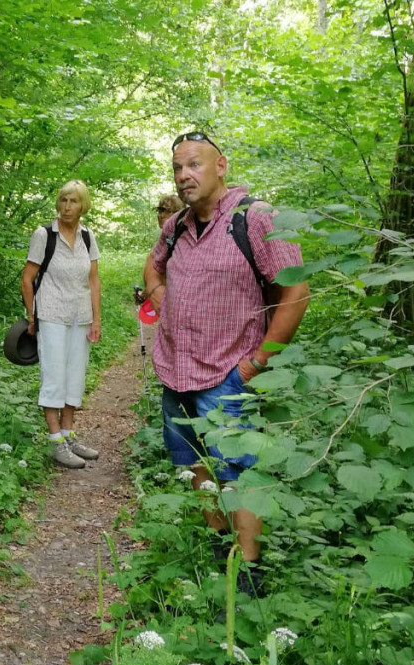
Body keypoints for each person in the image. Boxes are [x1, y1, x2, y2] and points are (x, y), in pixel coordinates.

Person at [142, 131, 310, 596]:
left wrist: (254, 365)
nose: (183, 176)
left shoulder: (255, 219)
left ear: (222, 166)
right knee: (196, 465)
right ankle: (220, 554)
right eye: (177, 168)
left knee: (238, 470)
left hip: (230, 373)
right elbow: (153, 269)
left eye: (193, 165)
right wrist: (163, 299)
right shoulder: (174, 226)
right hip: (177, 370)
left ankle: (249, 573)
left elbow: (296, 292)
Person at [20, 179, 102, 469]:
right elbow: (27, 278)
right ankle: (55, 441)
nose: (67, 207)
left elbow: (93, 280)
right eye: (64, 200)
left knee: (75, 377)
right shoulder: (44, 235)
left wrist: (96, 319)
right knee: (54, 376)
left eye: (74, 201)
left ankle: (69, 435)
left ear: (83, 206)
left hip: (81, 316)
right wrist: (32, 316)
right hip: (52, 313)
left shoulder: (88, 236)